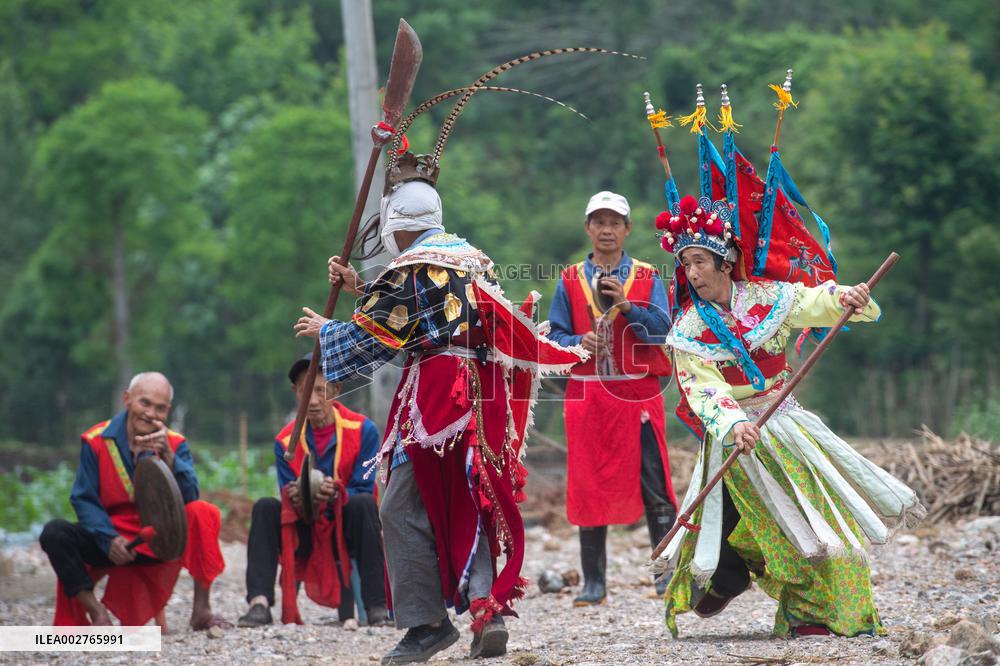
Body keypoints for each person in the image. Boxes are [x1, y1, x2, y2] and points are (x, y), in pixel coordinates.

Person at [654, 195, 924, 637]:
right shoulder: (688, 329)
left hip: (787, 422)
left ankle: (818, 607)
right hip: (738, 437)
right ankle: (748, 583)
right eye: (686, 265)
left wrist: (845, 297)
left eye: (701, 261)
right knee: (775, 520)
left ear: (726, 261)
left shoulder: (769, 297)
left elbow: (815, 302)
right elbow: (701, 386)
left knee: (820, 514)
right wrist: (733, 422)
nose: (693, 273)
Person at [546, 190, 678, 604]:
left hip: (637, 393)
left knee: (654, 481)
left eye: (614, 222)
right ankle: (594, 584)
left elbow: (661, 332)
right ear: (587, 228)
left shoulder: (647, 277)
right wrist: (576, 341)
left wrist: (627, 305)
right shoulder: (568, 279)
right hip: (587, 394)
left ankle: (664, 574)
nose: (606, 229)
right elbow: (554, 336)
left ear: (627, 229)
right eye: (599, 222)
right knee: (589, 483)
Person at [39, 372, 228, 631]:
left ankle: (201, 611)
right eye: (144, 403)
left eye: (160, 408)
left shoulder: (175, 442)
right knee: (55, 533)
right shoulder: (96, 440)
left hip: (160, 539)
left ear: (168, 411)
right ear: (127, 399)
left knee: (203, 511)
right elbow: (84, 499)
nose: (151, 413)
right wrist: (107, 539)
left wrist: (169, 457)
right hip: (114, 539)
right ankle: (97, 613)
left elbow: (190, 496)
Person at [237, 353, 387, 627]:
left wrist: (336, 492)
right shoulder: (285, 440)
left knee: (364, 503)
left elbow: (365, 485)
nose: (314, 400)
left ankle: (377, 606)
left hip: (348, 527)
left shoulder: (365, 430)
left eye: (321, 390)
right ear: (296, 392)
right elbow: (286, 494)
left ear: (336, 390)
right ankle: (258, 603)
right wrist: (295, 496)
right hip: (305, 527)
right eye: (306, 391)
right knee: (265, 508)